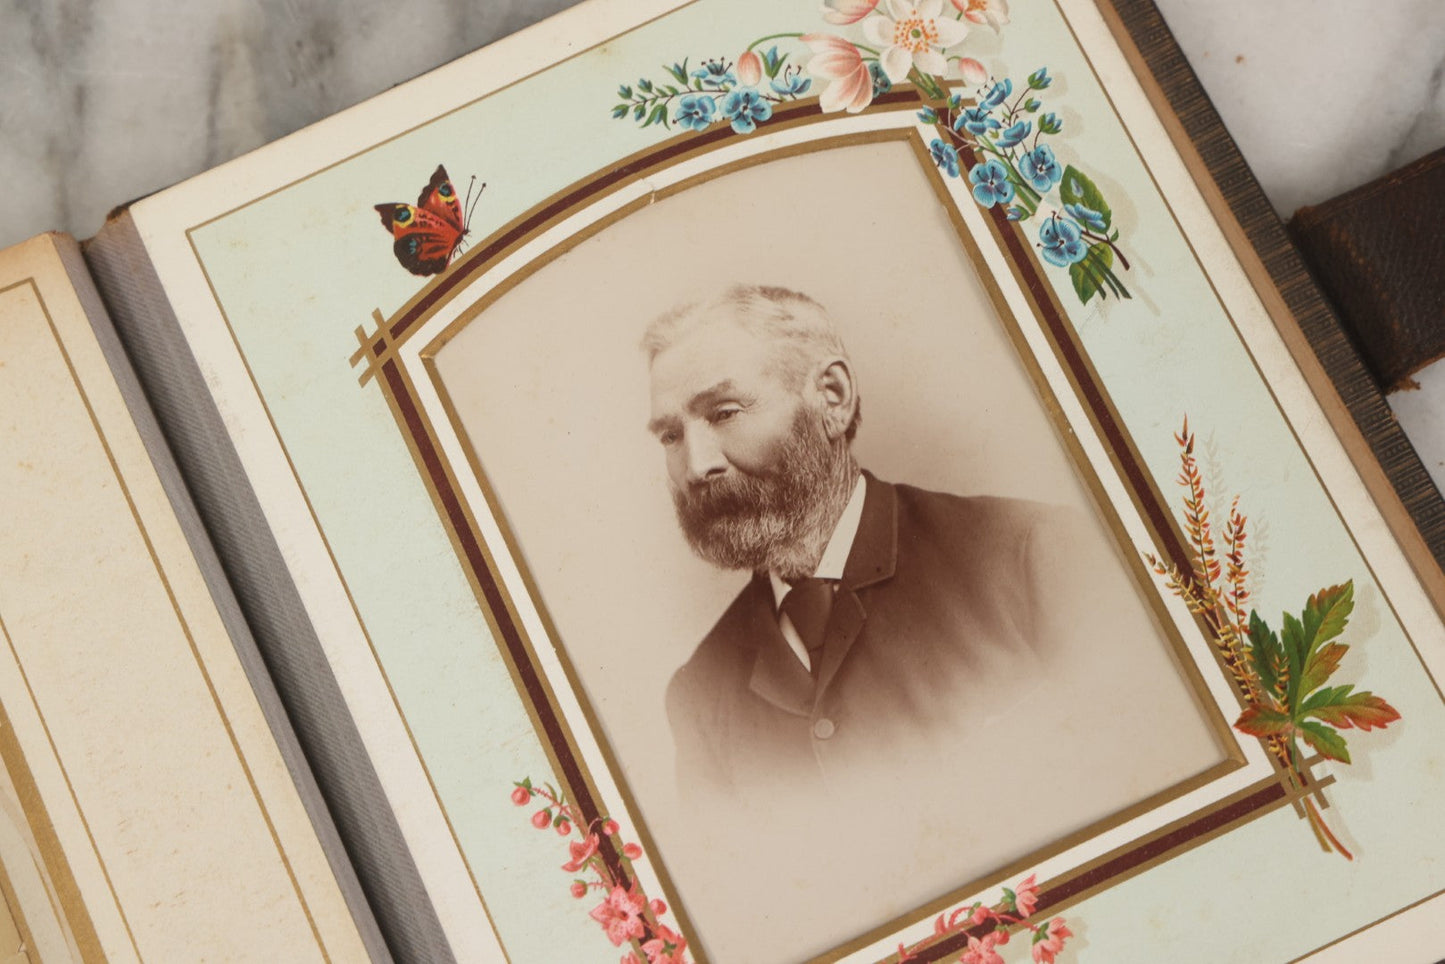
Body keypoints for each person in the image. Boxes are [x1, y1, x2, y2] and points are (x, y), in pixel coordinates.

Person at [643, 283, 1094, 797]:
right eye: (670, 436)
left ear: (832, 397)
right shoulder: (699, 697)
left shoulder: (1029, 555)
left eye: (724, 413)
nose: (697, 465)